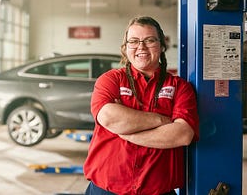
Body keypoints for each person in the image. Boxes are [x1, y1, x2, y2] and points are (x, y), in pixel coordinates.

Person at [83, 16, 199, 195]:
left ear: (161, 46)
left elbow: (182, 135)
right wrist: (161, 120)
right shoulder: (110, 80)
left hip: (158, 190)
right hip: (106, 189)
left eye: (150, 40)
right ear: (125, 48)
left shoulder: (180, 87)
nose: (141, 47)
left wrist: (127, 133)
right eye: (134, 41)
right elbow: (108, 117)